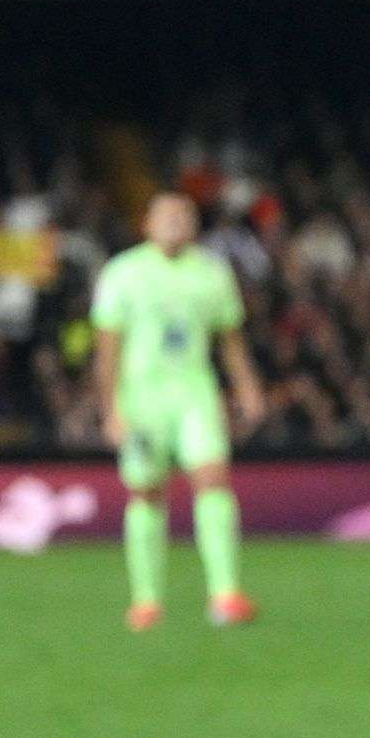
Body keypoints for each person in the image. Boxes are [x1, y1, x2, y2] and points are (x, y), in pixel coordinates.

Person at [89, 190, 266, 629]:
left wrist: (247, 388)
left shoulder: (211, 273)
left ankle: (225, 594)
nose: (174, 222)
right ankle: (146, 600)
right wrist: (110, 408)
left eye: (183, 215)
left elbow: (230, 339)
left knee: (213, 478)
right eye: (165, 214)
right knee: (148, 491)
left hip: (194, 391)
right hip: (143, 396)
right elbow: (108, 348)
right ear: (146, 224)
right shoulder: (123, 272)